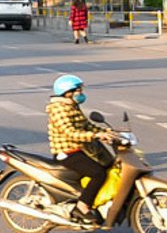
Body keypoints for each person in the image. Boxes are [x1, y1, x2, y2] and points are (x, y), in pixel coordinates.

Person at [46, 73, 116, 220]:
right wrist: (95, 136)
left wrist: (106, 132)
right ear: (68, 92)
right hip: (67, 152)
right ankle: (82, 206)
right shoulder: (59, 109)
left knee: (109, 165)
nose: (81, 93)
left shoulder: (72, 105)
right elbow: (69, 132)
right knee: (98, 173)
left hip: (81, 149)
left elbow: (87, 125)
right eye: (78, 90)